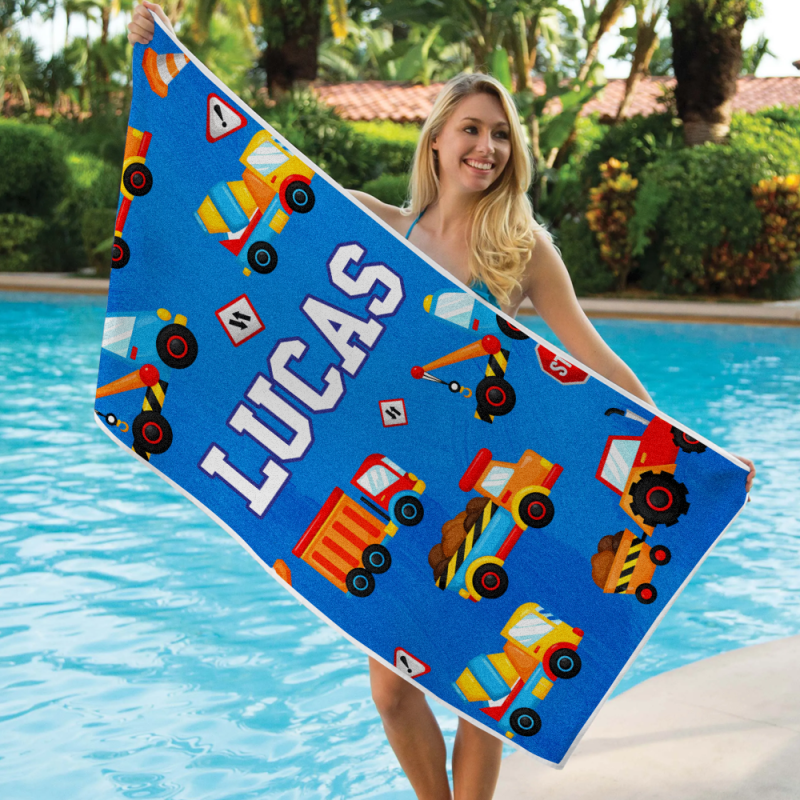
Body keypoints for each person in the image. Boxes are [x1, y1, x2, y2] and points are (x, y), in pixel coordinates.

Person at [128, 7, 757, 799]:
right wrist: (164, 62)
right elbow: (251, 173)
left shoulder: (522, 252)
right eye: (471, 129)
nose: (487, 147)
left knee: (479, 699)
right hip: (386, 485)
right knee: (393, 692)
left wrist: (695, 452)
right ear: (435, 141)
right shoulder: (375, 227)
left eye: (500, 135)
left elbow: (597, 364)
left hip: (478, 489)